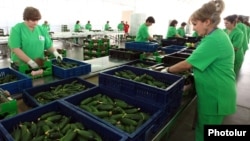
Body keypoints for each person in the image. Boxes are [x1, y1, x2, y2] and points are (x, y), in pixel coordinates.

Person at [161, 1, 236, 141]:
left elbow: (187, 64)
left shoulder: (214, 40)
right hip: (213, 91)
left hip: (215, 95)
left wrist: (167, 70)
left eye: (195, 24)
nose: (194, 29)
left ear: (207, 22)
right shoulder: (216, 36)